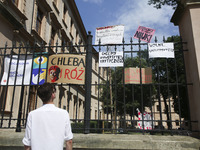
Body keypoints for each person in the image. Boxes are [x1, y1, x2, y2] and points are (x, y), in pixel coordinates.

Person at [22, 83, 73, 150]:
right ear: (53, 95)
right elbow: (69, 141)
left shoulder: (32, 114)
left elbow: (27, 143)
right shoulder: (64, 113)